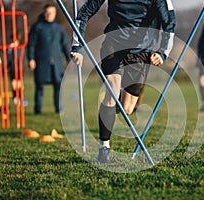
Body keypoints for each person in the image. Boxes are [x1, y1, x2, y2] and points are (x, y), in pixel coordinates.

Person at [71, 0, 176, 163]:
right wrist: (77, 47)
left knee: (127, 109)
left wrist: (163, 52)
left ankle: (114, 105)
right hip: (113, 47)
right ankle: (103, 148)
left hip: (142, 52)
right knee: (111, 92)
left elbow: (169, 21)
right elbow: (84, 13)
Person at [27, 3, 71, 114]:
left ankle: (58, 109)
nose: (49, 14)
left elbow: (65, 46)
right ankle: (37, 110)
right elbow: (31, 44)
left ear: (55, 13)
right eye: (47, 12)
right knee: (39, 87)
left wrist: (69, 61)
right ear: (44, 13)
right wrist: (31, 58)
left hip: (57, 63)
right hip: (41, 62)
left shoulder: (59, 29)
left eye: (51, 12)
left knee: (58, 87)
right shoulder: (37, 27)